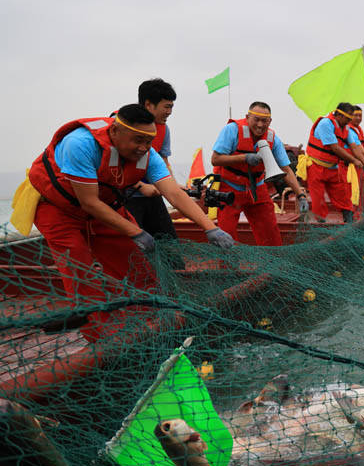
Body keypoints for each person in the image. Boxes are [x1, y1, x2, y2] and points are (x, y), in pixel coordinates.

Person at [25, 104, 233, 341]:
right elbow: (90, 202)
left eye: (148, 141)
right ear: (114, 132)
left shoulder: (148, 155)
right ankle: (101, 341)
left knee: (137, 266)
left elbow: (174, 194)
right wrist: (136, 231)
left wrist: (211, 228)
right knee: (80, 269)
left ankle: (151, 325)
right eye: (138, 140)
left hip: (106, 208)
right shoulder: (80, 144)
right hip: (59, 210)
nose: (144, 148)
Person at [211, 102, 307, 243]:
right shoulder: (232, 130)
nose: (260, 125)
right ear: (247, 117)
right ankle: (228, 265)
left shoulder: (273, 139)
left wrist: (301, 195)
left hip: (257, 187)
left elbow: (286, 169)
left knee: (271, 234)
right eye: (256, 119)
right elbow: (215, 159)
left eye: (264, 121)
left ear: (270, 121)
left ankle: (272, 264)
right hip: (229, 188)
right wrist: (245, 158)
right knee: (226, 236)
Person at [124, 79, 178, 241]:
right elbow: (111, 166)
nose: (169, 112)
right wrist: (140, 186)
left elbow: (164, 162)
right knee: (134, 248)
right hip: (126, 198)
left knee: (170, 245)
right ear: (148, 105)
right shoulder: (124, 124)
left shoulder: (163, 129)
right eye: (166, 107)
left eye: (171, 107)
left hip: (152, 196)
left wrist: (174, 187)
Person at [306, 102, 364, 222]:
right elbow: (335, 147)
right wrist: (354, 160)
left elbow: (354, 147)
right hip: (315, 166)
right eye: (347, 119)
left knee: (343, 197)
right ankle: (320, 225)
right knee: (318, 200)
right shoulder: (325, 124)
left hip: (332, 168)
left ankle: (349, 223)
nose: (349, 122)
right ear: (339, 115)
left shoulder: (346, 128)